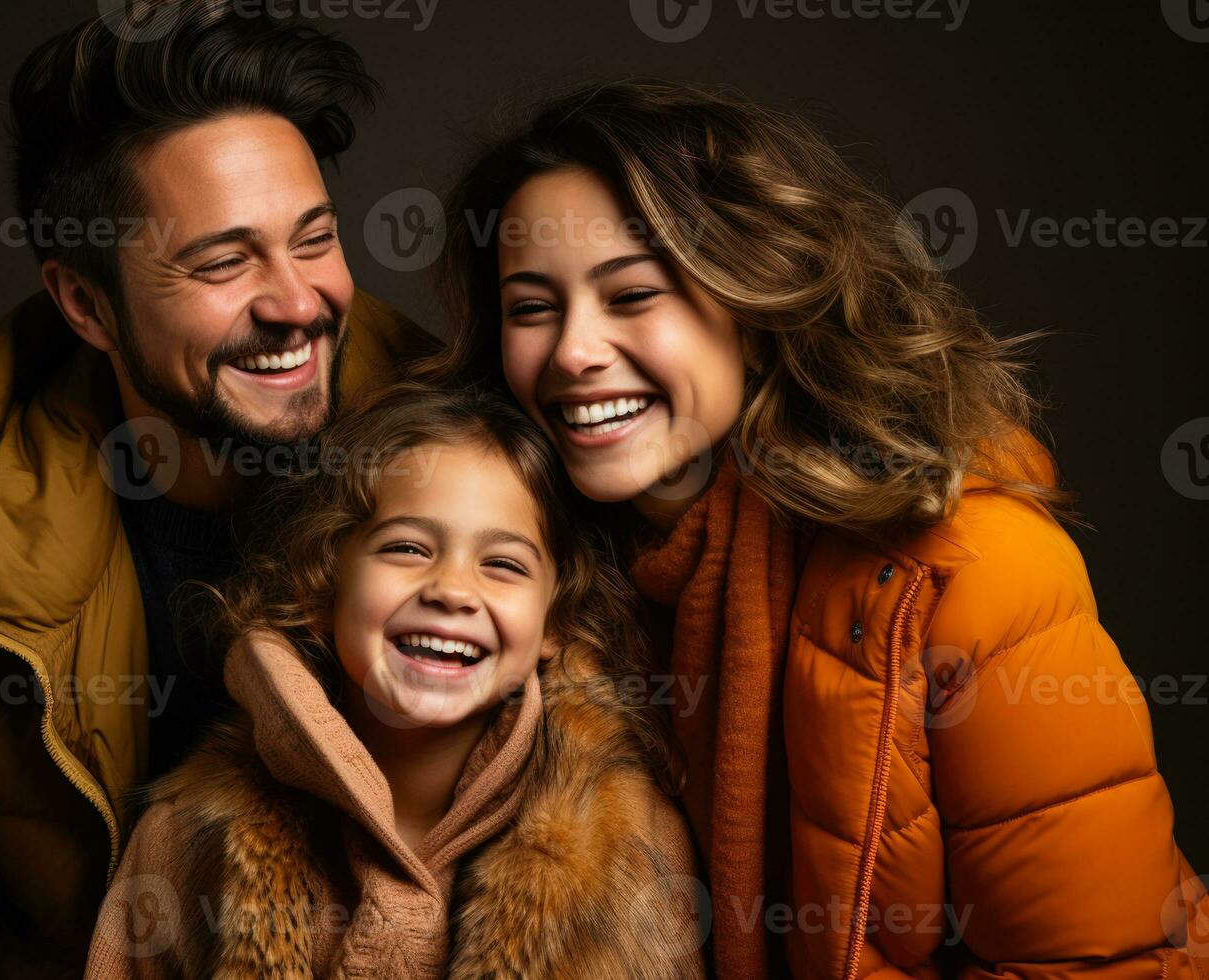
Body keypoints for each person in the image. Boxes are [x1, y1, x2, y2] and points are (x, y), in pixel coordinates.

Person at [424, 79, 1208, 977]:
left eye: (633, 294)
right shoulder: (537, 592)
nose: (571, 350)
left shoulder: (975, 571)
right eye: (532, 308)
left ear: (754, 314)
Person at [0, 4, 434, 976]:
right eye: (223, 260)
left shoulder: (480, 477)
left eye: (315, 237)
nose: (298, 301)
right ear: (86, 304)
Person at [84, 384, 706, 978]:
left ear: (555, 622)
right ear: (321, 587)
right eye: (407, 548)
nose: (453, 590)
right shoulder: (187, 834)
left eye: (504, 564)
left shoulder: (635, 844)